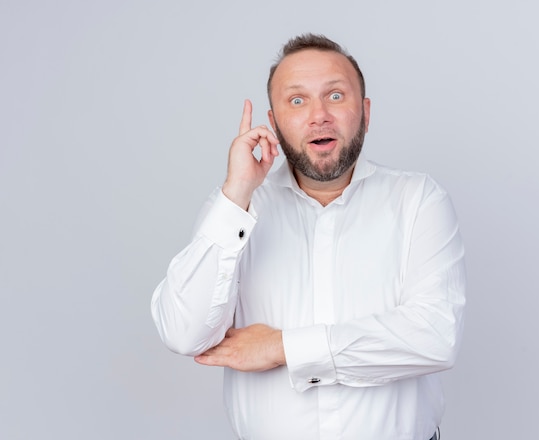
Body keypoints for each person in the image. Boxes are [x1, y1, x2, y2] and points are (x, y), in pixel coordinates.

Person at [151, 33, 465, 440]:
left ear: (365, 113)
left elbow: (435, 336)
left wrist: (283, 347)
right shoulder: (237, 207)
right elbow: (183, 331)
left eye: (335, 96)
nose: (319, 115)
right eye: (297, 101)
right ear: (275, 123)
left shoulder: (418, 200)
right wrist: (236, 195)